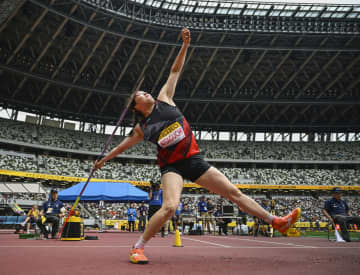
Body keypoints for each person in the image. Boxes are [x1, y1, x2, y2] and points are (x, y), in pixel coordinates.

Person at [94, 28, 301, 264]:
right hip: (172, 167)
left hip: (194, 161)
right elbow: (121, 147)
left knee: (234, 193)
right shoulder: (142, 128)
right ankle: (138, 247)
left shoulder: (165, 98)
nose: (146, 92)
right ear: (135, 106)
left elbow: (175, 70)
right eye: (141, 93)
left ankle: (276, 221)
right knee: (170, 207)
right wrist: (102, 161)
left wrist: (185, 45)